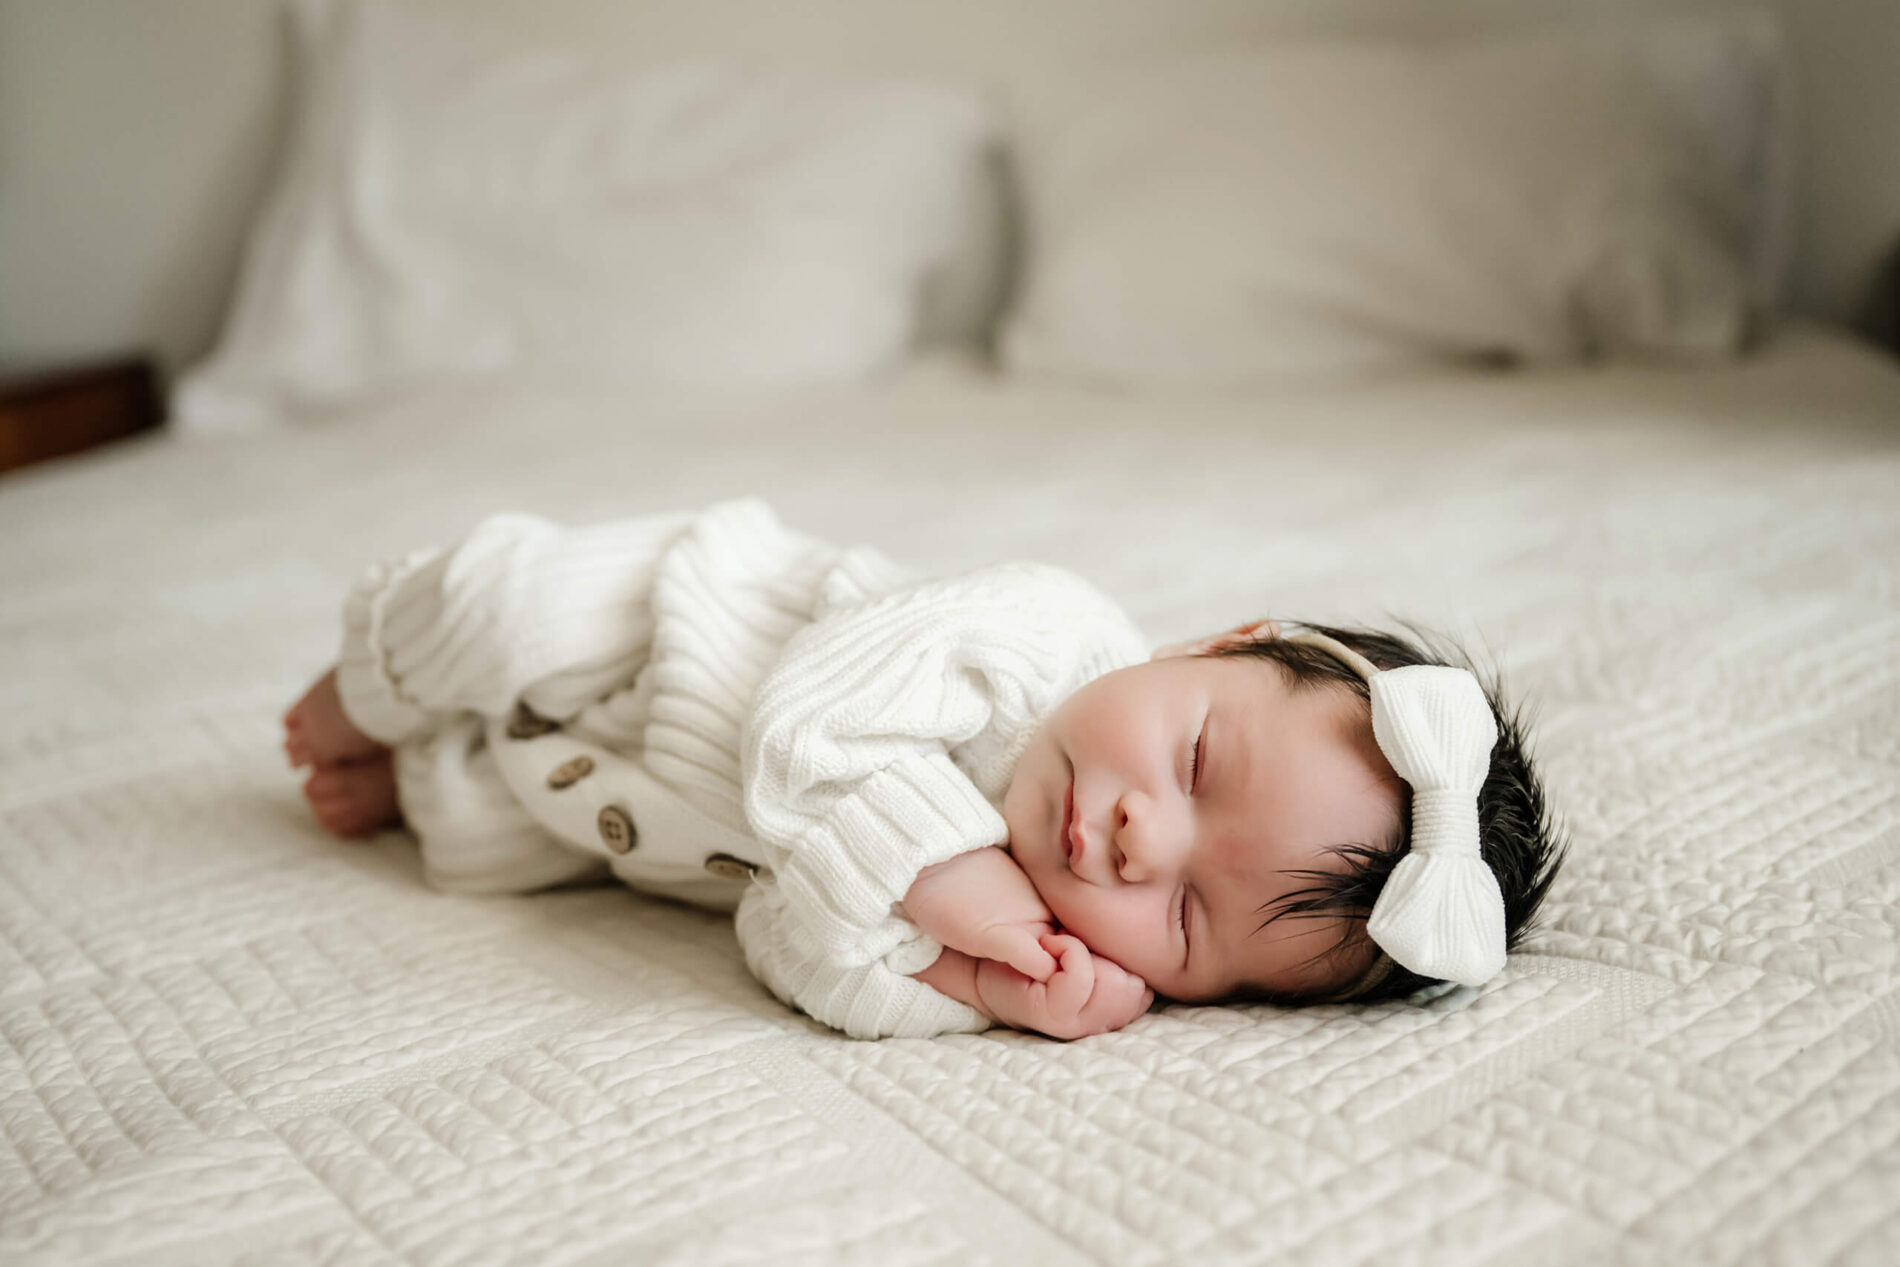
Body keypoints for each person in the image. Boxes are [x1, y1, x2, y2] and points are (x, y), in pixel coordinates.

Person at [285, 500, 1563, 1039]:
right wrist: (953, 877)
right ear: (1224, 642)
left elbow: (784, 936)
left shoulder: (1031, 929)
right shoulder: (1041, 635)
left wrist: (969, 982)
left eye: (1183, 918)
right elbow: (805, 716)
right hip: (660, 622)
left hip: (639, 806)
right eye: (1191, 761)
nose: (1137, 843)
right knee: (504, 608)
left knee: (504, 843)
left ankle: (430, 774)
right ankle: (371, 684)